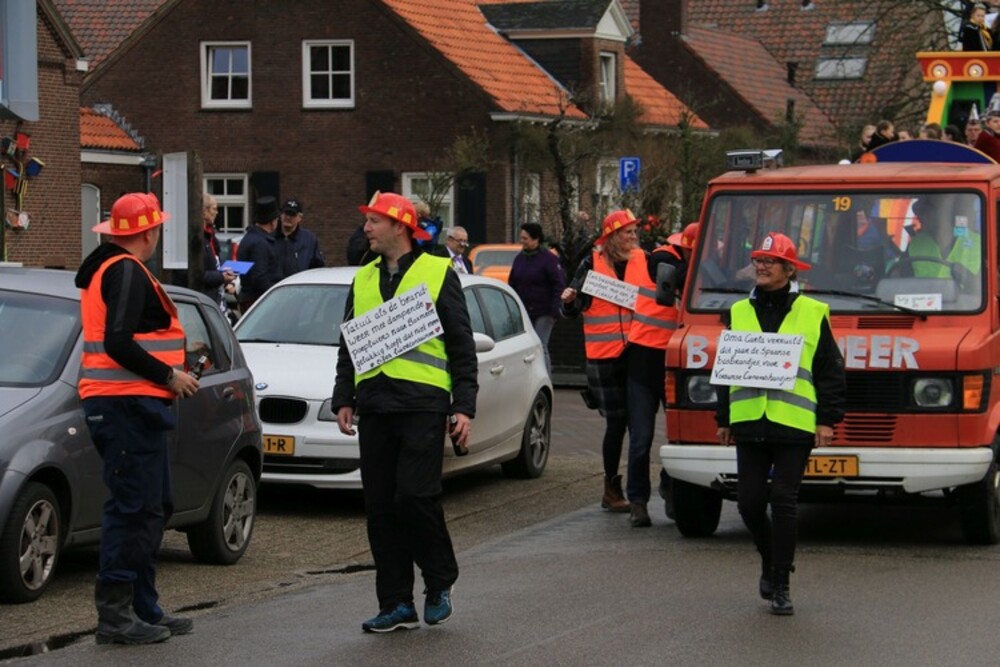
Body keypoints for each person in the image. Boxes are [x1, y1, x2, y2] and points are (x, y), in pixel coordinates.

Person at [332, 191, 478, 633]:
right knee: (380, 508)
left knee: (415, 496)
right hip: (375, 405)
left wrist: (463, 406)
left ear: (400, 226)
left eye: (374, 221)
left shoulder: (437, 271)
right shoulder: (363, 277)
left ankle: (439, 579)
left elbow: (461, 344)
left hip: (422, 404)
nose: (366, 229)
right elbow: (349, 344)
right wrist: (343, 397)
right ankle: (396, 603)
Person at [74, 192, 201, 645]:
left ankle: (142, 607)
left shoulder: (112, 268)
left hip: (129, 405)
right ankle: (117, 615)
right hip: (125, 405)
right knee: (134, 509)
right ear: (149, 232)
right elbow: (118, 341)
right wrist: (170, 376)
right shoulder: (126, 270)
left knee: (152, 506)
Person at [715, 232, 846, 616]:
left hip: (793, 423)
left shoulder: (813, 311)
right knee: (749, 503)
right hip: (749, 421)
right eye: (758, 260)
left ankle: (781, 583)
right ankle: (770, 558)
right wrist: (724, 417)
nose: (761, 266)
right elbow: (724, 369)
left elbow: (830, 371)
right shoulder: (738, 311)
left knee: (784, 501)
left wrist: (827, 420)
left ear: (789, 269)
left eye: (769, 261)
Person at [560, 209, 641, 515]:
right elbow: (573, 306)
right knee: (617, 423)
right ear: (612, 236)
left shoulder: (642, 261)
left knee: (640, 422)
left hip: (636, 353)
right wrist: (569, 302)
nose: (633, 237)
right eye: (627, 232)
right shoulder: (591, 265)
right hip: (604, 357)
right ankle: (611, 488)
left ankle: (641, 488)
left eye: (634, 232)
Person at [622, 222, 697, 527]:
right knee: (641, 439)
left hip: (674, 362)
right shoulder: (662, 257)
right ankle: (638, 502)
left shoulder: (691, 266)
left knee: (680, 438)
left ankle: (671, 487)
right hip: (643, 361)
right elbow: (668, 274)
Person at [507, 222, 566, 372]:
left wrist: (554, 311)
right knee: (525, 347)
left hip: (544, 311)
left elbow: (558, 284)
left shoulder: (549, 259)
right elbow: (512, 282)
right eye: (521, 238)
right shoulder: (520, 259)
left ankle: (545, 377)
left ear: (536, 239)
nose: (522, 241)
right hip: (524, 311)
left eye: (525, 238)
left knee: (540, 345)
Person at [905, 197, 981, 284]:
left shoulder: (979, 243)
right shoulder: (916, 244)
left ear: (946, 214)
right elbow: (900, 281)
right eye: (921, 213)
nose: (921, 218)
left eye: (927, 211)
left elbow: (985, 284)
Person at [236, 196, 280, 311]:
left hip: (249, 299)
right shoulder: (260, 244)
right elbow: (260, 278)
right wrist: (276, 295)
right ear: (272, 221)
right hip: (258, 302)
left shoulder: (249, 238)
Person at [201, 194, 236, 314]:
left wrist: (225, 281)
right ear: (204, 212)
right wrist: (221, 277)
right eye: (214, 209)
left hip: (217, 301)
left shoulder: (211, 237)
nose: (216, 213)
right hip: (206, 303)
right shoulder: (199, 240)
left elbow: (215, 267)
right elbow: (198, 275)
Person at [274, 197, 325, 280]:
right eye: (286, 213)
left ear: (300, 217)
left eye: (292, 215)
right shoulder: (270, 237)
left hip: (299, 285)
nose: (288, 217)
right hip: (275, 286)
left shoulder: (309, 239)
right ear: (281, 215)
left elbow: (318, 267)